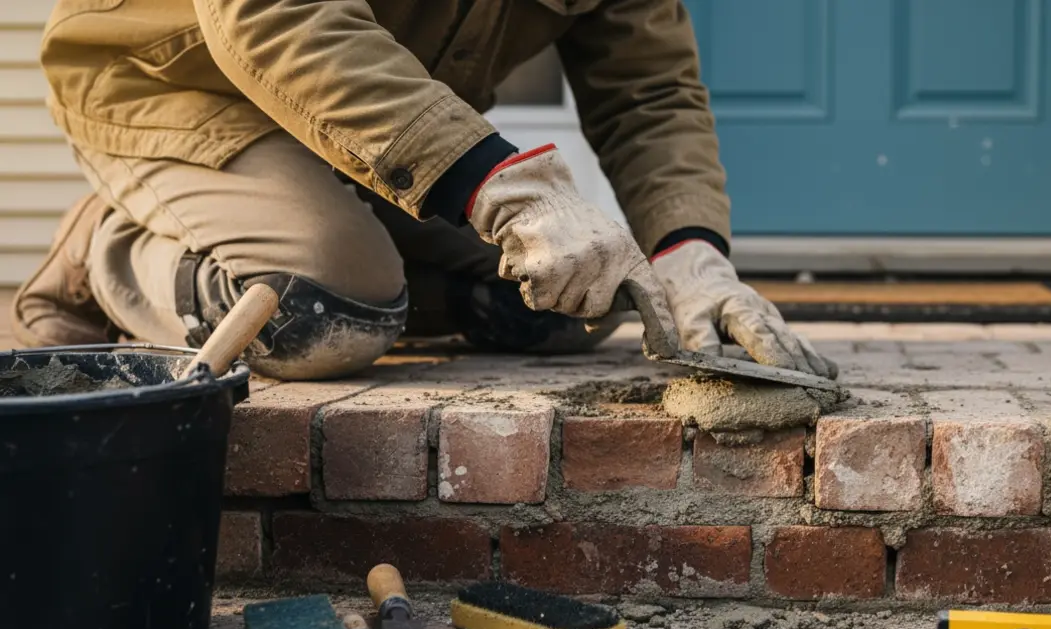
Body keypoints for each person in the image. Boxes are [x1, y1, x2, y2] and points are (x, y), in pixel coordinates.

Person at [14, 0, 836, 381]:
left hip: (357, 133)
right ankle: (105, 250)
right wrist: (507, 192)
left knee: (567, 304)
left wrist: (690, 255)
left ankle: (363, 268)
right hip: (172, 90)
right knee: (325, 310)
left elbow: (648, 93)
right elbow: (273, 16)